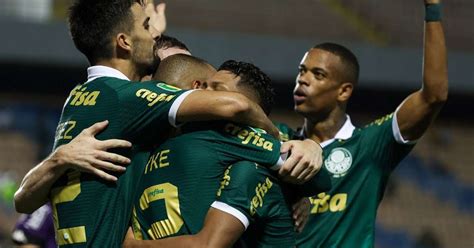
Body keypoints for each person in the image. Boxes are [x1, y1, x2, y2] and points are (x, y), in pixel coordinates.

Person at [13, 1, 318, 247]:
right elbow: (236, 105)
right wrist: (282, 139)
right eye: (145, 28)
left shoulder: (79, 100)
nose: (153, 35)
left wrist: (58, 158)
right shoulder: (127, 100)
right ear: (124, 42)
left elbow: (22, 200)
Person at [124, 59, 330, 248]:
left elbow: (317, 178)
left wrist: (309, 155)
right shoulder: (151, 138)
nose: (201, 90)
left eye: (216, 88)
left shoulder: (225, 132)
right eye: (204, 85)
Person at [294, 0, 448, 247]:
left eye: (317, 74)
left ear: (344, 91)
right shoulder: (281, 143)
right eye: (302, 71)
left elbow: (434, 96)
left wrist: (433, 9)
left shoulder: (369, 145)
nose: (303, 80)